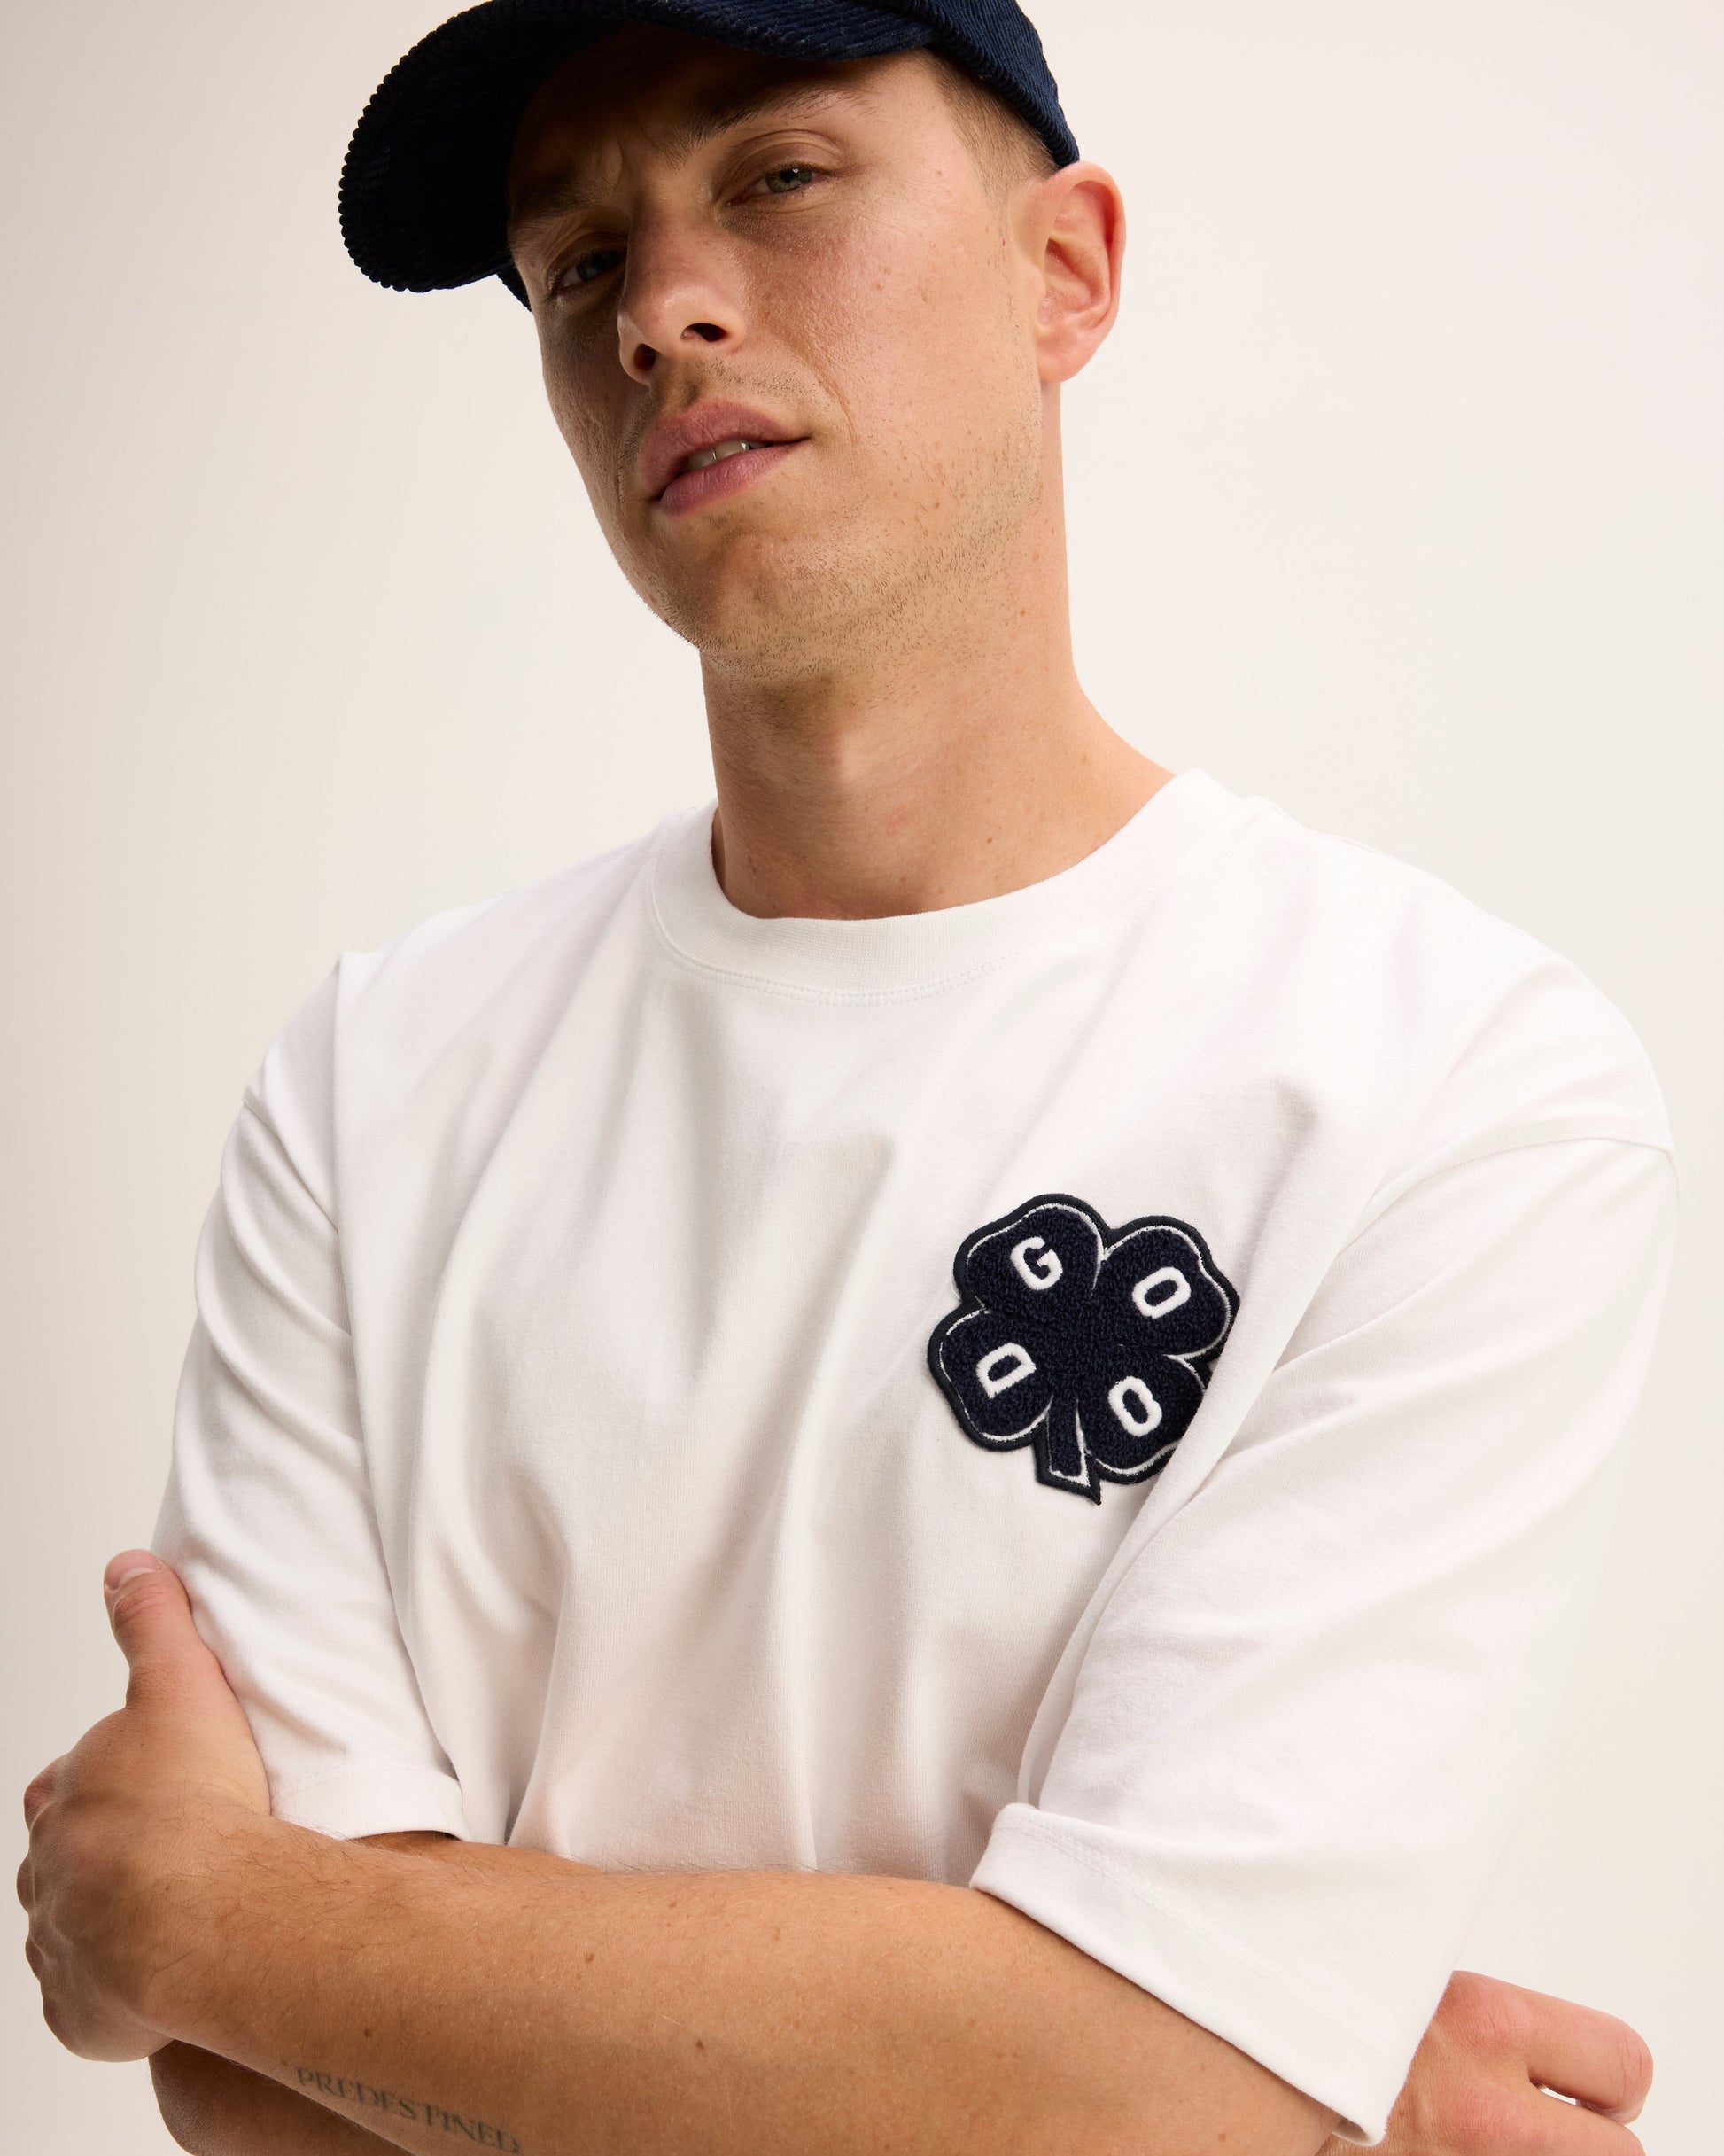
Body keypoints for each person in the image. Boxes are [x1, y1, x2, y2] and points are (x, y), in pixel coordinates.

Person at [19, 3, 1674, 2151]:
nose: (659, 312)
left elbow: (1143, 2083)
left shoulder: (1447, 1083)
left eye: (777, 178)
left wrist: (208, 1916)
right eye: (577, 264)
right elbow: (258, 2088)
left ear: (1062, 270)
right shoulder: (375, 1082)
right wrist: (1201, 2083)